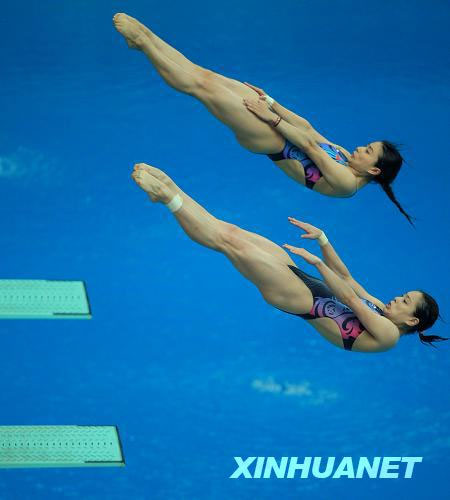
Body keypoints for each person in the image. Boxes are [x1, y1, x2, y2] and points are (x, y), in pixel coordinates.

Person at [113, 13, 413, 223]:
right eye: (366, 146)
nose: (360, 149)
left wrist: (271, 118)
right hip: (274, 127)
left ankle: (143, 43)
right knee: (204, 75)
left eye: (367, 152)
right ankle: (148, 38)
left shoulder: (347, 183)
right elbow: (310, 129)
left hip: (271, 140)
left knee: (199, 88)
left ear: (373, 171)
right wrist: (271, 100)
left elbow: (308, 146)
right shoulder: (347, 159)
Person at [130, 163, 445, 353]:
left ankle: (167, 198)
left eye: (404, 302)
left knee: (229, 245)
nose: (396, 299)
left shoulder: (389, 335)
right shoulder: (379, 307)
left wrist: (317, 263)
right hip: (308, 284)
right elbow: (347, 279)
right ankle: (174, 190)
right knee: (232, 232)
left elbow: (348, 295)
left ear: (412, 321)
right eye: (402, 295)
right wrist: (323, 240)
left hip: (299, 298)